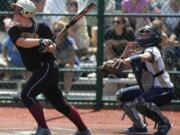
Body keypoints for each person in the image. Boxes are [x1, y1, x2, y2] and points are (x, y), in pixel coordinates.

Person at [8, 0, 91, 135]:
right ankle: (84, 130)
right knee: (60, 104)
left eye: (18, 10)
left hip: (47, 68)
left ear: (27, 12)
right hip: (38, 70)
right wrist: (40, 41)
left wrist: (48, 47)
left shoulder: (42, 27)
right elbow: (22, 42)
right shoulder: (14, 30)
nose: (14, 12)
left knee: (27, 95)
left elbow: (53, 47)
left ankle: (43, 129)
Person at [114, 25, 174, 134]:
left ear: (154, 37)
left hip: (164, 89)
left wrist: (127, 59)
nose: (142, 36)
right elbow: (118, 67)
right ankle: (139, 126)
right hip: (148, 89)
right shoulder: (138, 54)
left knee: (140, 101)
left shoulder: (153, 50)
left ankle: (164, 123)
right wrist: (126, 52)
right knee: (121, 95)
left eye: (147, 34)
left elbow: (145, 57)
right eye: (142, 34)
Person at [52, 20, 80, 97]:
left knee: (68, 67)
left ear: (64, 31)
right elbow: (49, 58)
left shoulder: (70, 41)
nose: (57, 33)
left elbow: (72, 60)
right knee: (48, 67)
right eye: (55, 30)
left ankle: (66, 95)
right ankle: (49, 94)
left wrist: (60, 61)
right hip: (57, 67)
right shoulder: (51, 42)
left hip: (72, 67)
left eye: (60, 30)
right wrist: (56, 45)